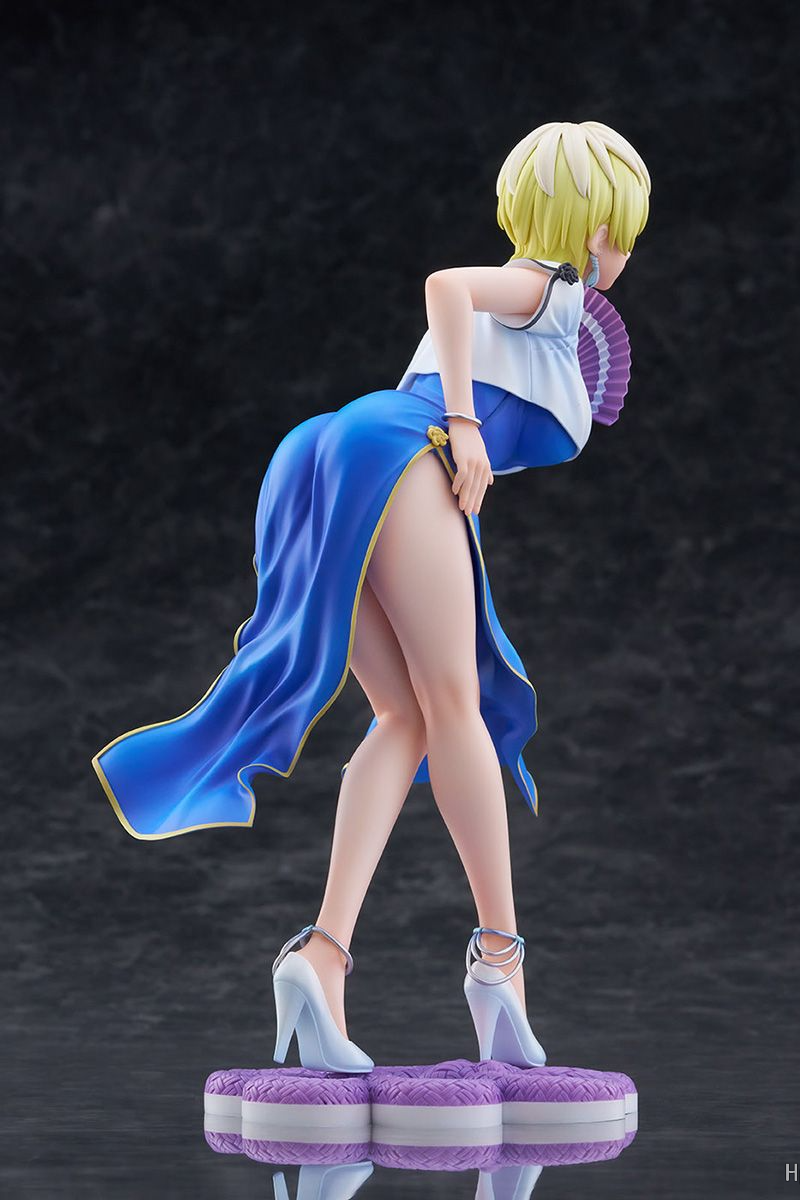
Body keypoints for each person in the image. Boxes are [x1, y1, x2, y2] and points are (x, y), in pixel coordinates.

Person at [91, 119, 650, 1073]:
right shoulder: (547, 289)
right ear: (595, 229)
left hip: (338, 451)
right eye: (624, 231)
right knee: (456, 706)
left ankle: (320, 956)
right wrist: (464, 424)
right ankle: (499, 962)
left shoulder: (538, 314)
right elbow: (446, 285)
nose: (625, 252)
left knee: (405, 716)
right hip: (406, 454)